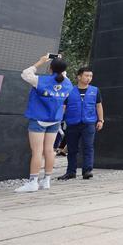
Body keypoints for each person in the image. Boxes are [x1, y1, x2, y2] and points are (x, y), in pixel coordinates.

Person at [17, 55, 73, 193]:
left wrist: (41, 61)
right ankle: (46, 180)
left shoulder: (40, 81)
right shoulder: (68, 83)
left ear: (50, 68)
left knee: (37, 151)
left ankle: (33, 182)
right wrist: (59, 63)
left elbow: (25, 74)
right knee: (49, 150)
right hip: (55, 120)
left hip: (39, 119)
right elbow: (62, 75)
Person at [57, 67, 103, 181]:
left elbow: (98, 105)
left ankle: (87, 171)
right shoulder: (69, 90)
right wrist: (58, 119)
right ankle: (70, 172)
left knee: (88, 147)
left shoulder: (95, 90)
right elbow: (63, 106)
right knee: (72, 149)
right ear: (79, 77)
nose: (89, 78)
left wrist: (101, 120)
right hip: (72, 123)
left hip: (89, 123)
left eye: (90, 76)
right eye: (86, 76)